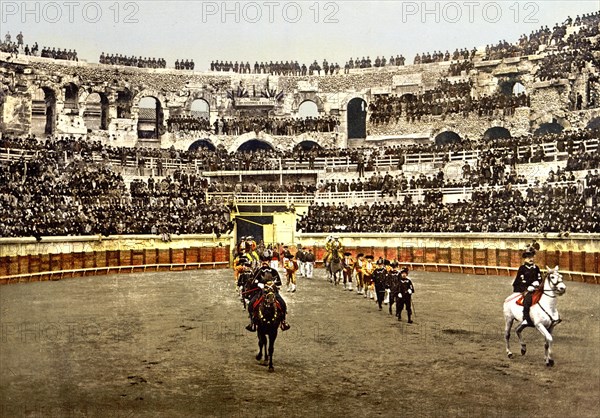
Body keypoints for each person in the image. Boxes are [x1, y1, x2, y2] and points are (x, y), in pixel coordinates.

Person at [246, 255, 290, 332]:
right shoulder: (258, 271)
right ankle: (252, 322)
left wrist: (273, 285)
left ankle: (283, 321)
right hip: (261, 292)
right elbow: (253, 283)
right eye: (263, 261)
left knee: (282, 303)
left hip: (272, 292)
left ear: (269, 262)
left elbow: (279, 283)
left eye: (266, 261)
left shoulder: (273, 271)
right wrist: (259, 284)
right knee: (251, 304)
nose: (264, 263)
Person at [512, 249, 541, 326]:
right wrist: (528, 287)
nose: (531, 259)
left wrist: (538, 282)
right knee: (528, 298)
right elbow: (521, 280)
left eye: (531, 257)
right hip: (523, 288)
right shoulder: (522, 268)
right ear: (525, 259)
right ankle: (525, 318)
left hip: (536, 288)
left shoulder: (536, 268)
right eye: (528, 258)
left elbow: (539, 277)